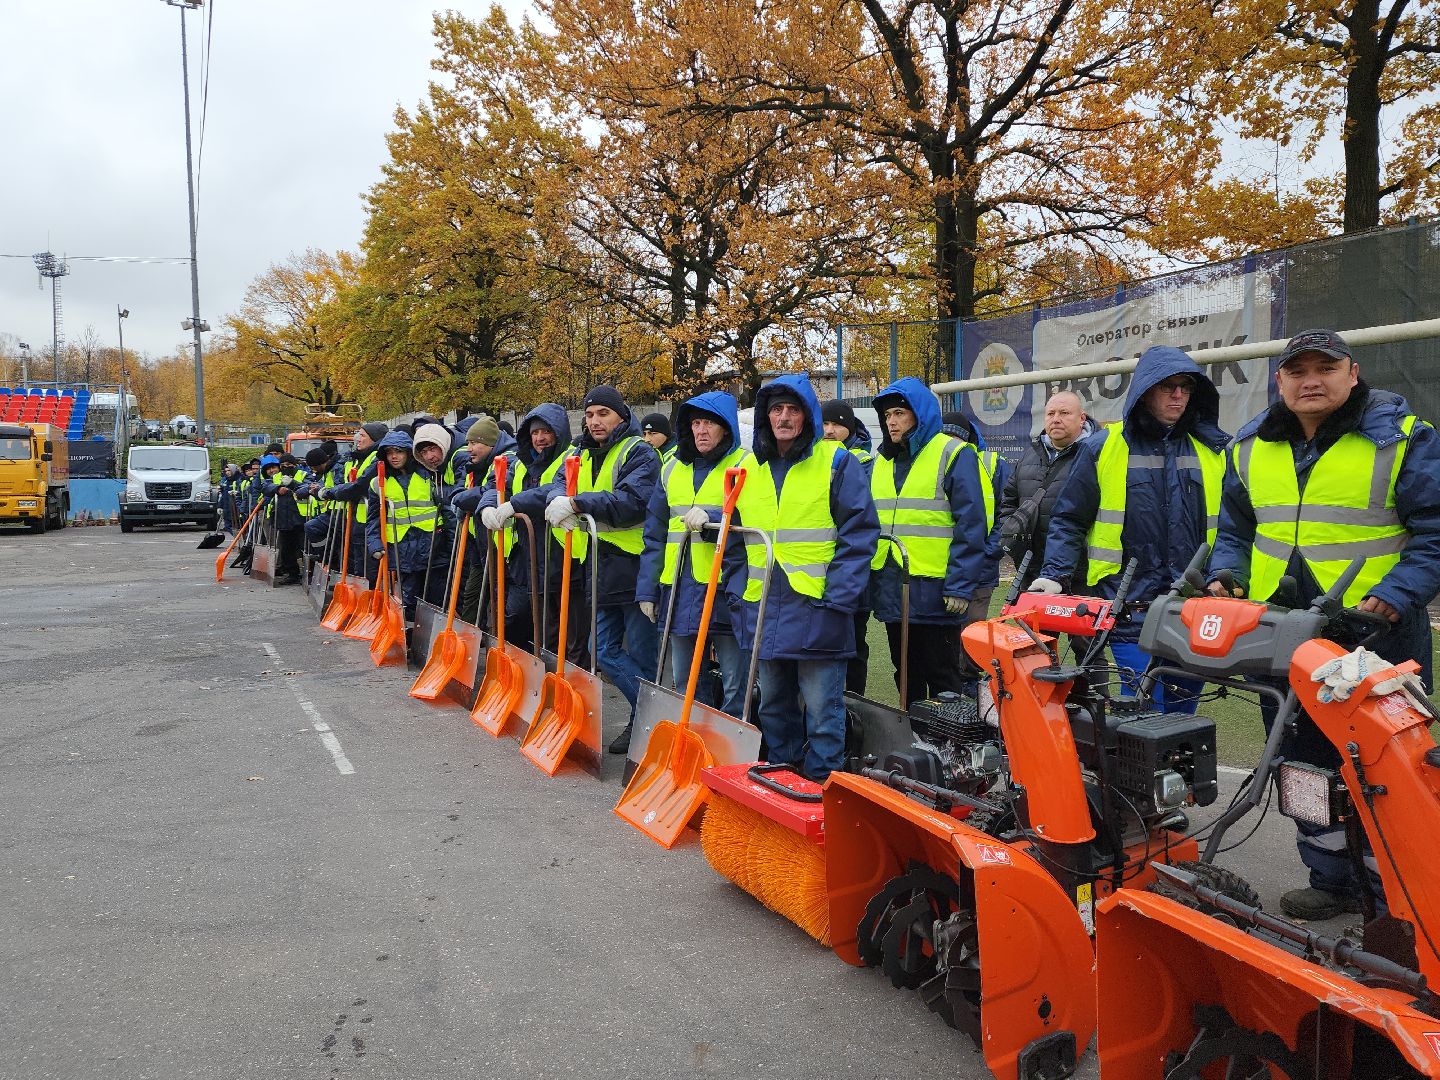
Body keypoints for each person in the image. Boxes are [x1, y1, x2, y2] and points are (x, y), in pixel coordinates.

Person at [1207, 328, 1440, 920]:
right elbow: (1234, 530)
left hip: (1375, 639)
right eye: (1297, 370)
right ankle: (1330, 875)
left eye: (1324, 369)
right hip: (1279, 636)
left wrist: (1388, 601)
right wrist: (1226, 577)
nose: (1310, 380)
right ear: (1279, 380)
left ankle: (1396, 893)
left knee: (1383, 768)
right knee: (1300, 760)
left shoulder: (1405, 441)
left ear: (1352, 373)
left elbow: (1435, 536)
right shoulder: (1250, 445)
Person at [1034, 346, 1230, 713]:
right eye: (1167, 387)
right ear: (1144, 391)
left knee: (1183, 711)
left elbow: (1232, 526)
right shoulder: (1103, 448)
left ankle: (1176, 773)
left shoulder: (1213, 450)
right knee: (1146, 713)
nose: (1178, 396)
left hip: (1196, 607)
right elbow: (1070, 518)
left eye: (1186, 388)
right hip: (1130, 609)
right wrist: (1055, 574)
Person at [727, 373, 879, 781]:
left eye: (793, 409)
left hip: (817, 605)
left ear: (807, 415)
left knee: (822, 709)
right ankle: (783, 773)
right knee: (773, 701)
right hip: (763, 605)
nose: (784, 417)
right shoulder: (747, 466)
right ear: (765, 416)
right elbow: (736, 536)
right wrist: (737, 588)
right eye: (776, 409)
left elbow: (860, 532)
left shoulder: (835, 461)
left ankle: (821, 786)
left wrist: (839, 597)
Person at [544, 386, 660, 754]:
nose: (595, 421)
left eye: (603, 414)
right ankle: (649, 714)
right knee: (604, 649)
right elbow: (558, 486)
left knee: (641, 653)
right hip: (601, 565)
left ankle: (644, 720)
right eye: (590, 414)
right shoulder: (578, 452)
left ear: (621, 417)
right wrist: (560, 500)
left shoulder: (639, 452)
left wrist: (576, 503)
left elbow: (633, 502)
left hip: (636, 566)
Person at [870, 378, 996, 705]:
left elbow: (971, 525)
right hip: (892, 583)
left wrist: (960, 585)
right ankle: (912, 741)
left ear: (920, 415)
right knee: (905, 673)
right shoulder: (882, 460)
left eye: (899, 413)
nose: (892, 421)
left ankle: (949, 747)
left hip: (937, 590)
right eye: (887, 416)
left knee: (942, 675)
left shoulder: (953, 453)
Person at [637, 390, 752, 722]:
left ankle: (731, 751)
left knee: (735, 682)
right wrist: (647, 589)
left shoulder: (746, 464)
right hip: (680, 588)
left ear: (726, 427)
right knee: (685, 678)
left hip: (728, 587)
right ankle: (698, 742)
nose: (701, 430)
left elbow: (761, 518)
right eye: (696, 423)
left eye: (710, 423)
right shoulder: (671, 467)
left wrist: (715, 515)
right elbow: (655, 532)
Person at [473, 404, 573, 655]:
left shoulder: (570, 457)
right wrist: (486, 507)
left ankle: (551, 679)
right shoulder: (520, 462)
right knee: (515, 618)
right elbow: (496, 486)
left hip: (558, 553)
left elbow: (552, 490)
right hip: (524, 555)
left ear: (558, 432)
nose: (540, 438)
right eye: (535, 433)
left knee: (556, 630)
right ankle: (522, 669)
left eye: (546, 432)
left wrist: (515, 504)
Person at [997, 391, 1094, 589]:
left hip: (1081, 577)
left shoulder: (1098, 455)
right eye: (1051, 414)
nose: (1056, 419)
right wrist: (1017, 541)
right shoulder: (1029, 456)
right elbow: (1008, 501)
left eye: (1064, 413)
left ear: (1081, 418)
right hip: (1030, 570)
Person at [365, 430, 451, 622]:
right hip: (401, 549)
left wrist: (451, 542)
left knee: (436, 598)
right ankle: (409, 638)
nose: (394, 457)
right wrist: (375, 544)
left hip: (432, 546)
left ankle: (432, 639)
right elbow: (373, 519)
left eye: (398, 452)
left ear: (409, 453)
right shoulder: (378, 483)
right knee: (408, 599)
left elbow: (445, 510)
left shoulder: (430, 476)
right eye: (389, 453)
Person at [821, 399, 875, 694]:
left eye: (836, 424)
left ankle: (855, 700)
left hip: (852, 569)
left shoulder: (861, 462)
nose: (829, 431)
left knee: (854, 640)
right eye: (825, 424)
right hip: (821, 569)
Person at [940, 410, 1008, 627]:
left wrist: (987, 553)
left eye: (955, 439)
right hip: (939, 569)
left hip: (981, 570)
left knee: (972, 638)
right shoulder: (932, 464)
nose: (950, 445)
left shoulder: (993, 465)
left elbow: (1007, 515)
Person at [450, 415, 518, 625]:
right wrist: (461, 498)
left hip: (504, 549)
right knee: (472, 597)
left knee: (503, 605)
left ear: (490, 443)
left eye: (474, 443)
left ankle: (499, 645)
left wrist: (461, 499)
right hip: (480, 545)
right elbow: (460, 490)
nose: (468, 448)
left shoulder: (507, 460)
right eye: (468, 442)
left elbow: (488, 492)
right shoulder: (475, 466)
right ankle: (467, 643)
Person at [325, 422, 388, 586]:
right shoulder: (360, 457)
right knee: (357, 561)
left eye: (362, 435)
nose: (357, 439)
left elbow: (360, 485)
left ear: (374, 439)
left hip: (368, 519)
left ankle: (367, 598)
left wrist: (333, 492)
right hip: (356, 517)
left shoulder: (376, 457)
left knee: (368, 565)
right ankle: (356, 594)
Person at [261, 453, 308, 585]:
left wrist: (293, 483)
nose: (286, 467)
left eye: (289, 465)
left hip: (301, 517)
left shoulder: (303, 474)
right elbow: (265, 486)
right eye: (283, 465)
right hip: (282, 517)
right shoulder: (276, 477)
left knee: (303, 546)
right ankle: (291, 573)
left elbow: (308, 486)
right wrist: (277, 488)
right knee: (286, 547)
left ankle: (307, 572)